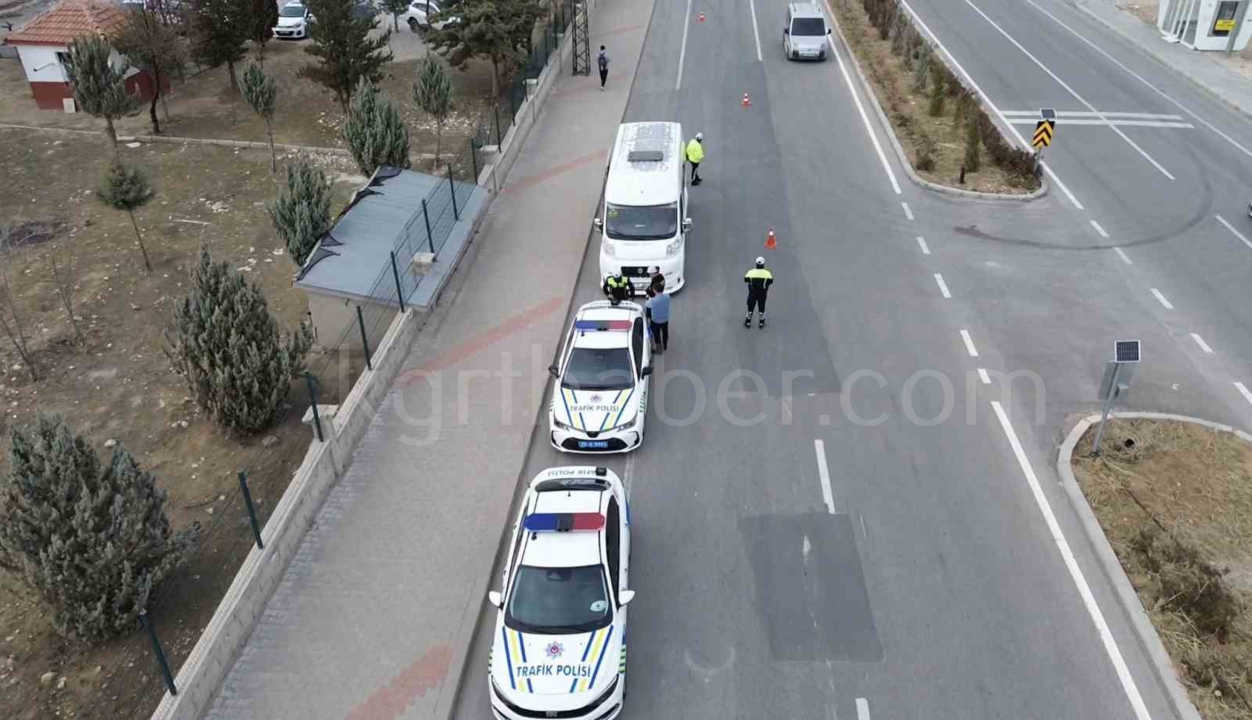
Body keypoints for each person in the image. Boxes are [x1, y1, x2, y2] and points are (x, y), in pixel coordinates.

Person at [743, 256, 773, 328]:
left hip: (752, 292)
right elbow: (771, 281)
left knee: (750, 306)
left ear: (756, 264)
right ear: (763, 264)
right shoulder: (767, 273)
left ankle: (748, 321)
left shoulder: (751, 272)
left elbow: (746, 279)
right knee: (761, 306)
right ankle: (761, 322)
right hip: (762, 293)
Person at [646, 277, 669, 353]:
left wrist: (648, 297)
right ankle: (665, 345)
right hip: (665, 319)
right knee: (665, 332)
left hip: (655, 321)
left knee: (657, 334)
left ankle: (659, 349)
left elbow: (648, 310)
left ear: (655, 290)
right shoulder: (667, 297)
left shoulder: (651, 300)